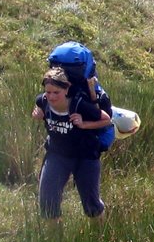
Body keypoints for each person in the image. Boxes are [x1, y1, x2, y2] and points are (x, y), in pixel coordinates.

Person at [32, 67, 112, 221]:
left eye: (56, 92)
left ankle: (101, 238)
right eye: (48, 92)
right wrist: (37, 114)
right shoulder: (42, 101)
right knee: (47, 202)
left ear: (67, 89)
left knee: (92, 206)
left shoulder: (79, 105)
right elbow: (37, 109)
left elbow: (106, 119)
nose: (51, 97)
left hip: (85, 157)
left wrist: (84, 124)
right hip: (57, 155)